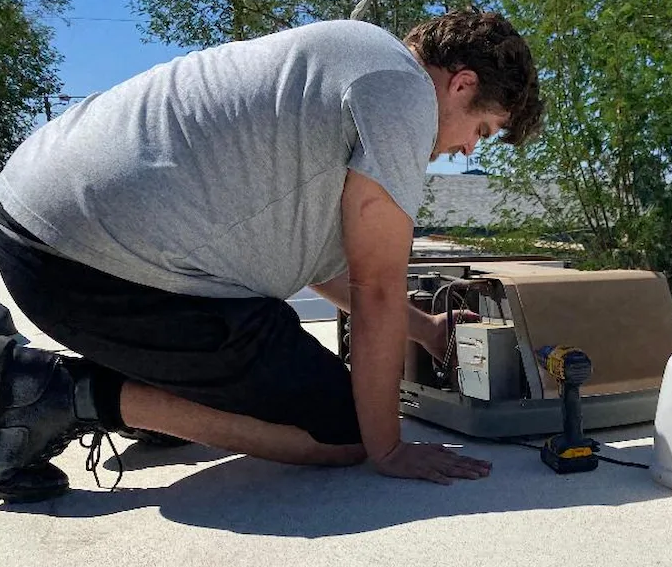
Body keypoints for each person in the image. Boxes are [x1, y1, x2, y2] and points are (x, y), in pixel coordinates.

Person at [0, 8, 544, 502]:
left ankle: (158, 401)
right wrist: (388, 450)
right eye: (482, 128)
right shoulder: (402, 90)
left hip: (42, 229)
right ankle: (61, 395)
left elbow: (324, 266)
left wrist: (426, 329)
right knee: (345, 430)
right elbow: (375, 287)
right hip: (86, 268)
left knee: (272, 372)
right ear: (461, 84)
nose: (470, 149)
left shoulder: (350, 59)